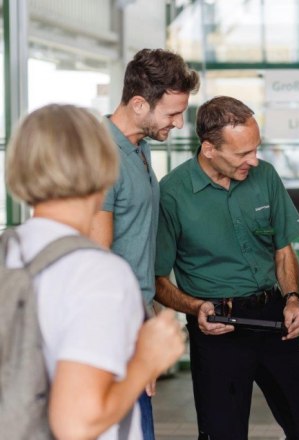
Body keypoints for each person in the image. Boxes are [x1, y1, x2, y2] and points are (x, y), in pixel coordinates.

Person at [4, 104, 184, 439]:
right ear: (103, 166)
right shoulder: (99, 273)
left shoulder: (7, 252)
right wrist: (147, 359)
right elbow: (78, 423)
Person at [154, 96, 299, 440]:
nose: (254, 160)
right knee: (223, 434)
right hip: (216, 327)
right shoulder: (171, 194)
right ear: (209, 149)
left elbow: (283, 249)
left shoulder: (265, 177)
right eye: (242, 153)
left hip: (274, 319)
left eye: (256, 149)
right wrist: (196, 308)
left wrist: (293, 298)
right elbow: (156, 279)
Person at [90, 48, 200, 439]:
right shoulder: (102, 155)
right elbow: (99, 264)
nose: (180, 123)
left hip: (136, 319)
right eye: (172, 113)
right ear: (139, 104)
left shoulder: (140, 147)